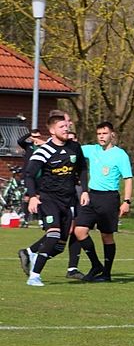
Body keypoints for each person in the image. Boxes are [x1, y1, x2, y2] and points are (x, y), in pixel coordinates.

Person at [16, 114, 88, 287]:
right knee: (53, 235)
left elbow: (83, 169)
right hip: (49, 199)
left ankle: (31, 253)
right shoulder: (44, 151)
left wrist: (85, 191)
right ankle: (34, 276)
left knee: (59, 245)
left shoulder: (75, 147)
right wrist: (33, 197)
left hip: (68, 201)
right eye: (62, 126)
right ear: (52, 130)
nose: (66, 128)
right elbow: (29, 175)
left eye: (67, 126)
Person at [67, 121, 133, 282]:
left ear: (112, 134)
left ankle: (106, 274)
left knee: (106, 236)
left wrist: (127, 201)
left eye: (104, 133)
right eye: (99, 134)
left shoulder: (120, 155)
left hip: (109, 198)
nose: (101, 136)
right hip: (91, 196)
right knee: (79, 231)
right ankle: (96, 265)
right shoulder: (92, 150)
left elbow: (128, 178)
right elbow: (73, 148)